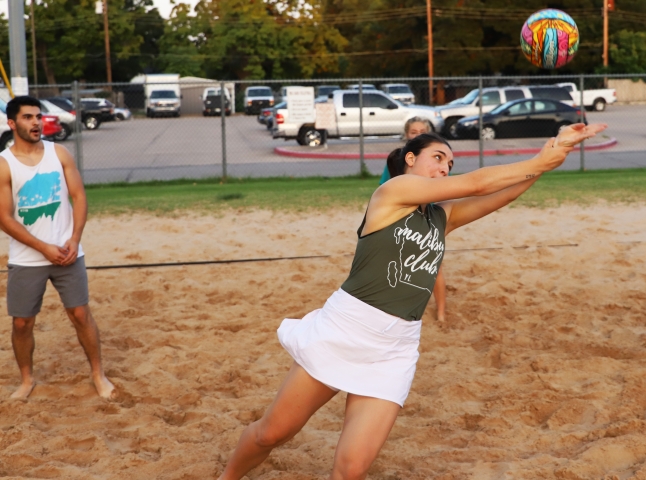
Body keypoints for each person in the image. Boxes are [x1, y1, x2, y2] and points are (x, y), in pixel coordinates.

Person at [218, 121, 606, 479]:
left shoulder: (441, 216)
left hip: (395, 348)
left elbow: (503, 193)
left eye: (450, 164)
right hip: (345, 330)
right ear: (409, 159)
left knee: (351, 469)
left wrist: (555, 152)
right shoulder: (392, 192)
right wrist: (540, 159)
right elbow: (477, 183)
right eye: (437, 157)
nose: (445, 168)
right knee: (272, 434)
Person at [0, 96, 115, 400]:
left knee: (80, 314)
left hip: (67, 253)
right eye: (27, 117)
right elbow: (4, 219)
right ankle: (27, 380)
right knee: (22, 323)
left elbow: (79, 197)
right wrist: (43, 248)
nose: (36, 122)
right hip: (27, 258)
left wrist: (74, 240)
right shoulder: (4, 164)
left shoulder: (59, 153)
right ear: (12, 123)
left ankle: (98, 375)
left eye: (38, 116)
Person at [380, 116, 449, 322]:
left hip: (426, 217)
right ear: (406, 135)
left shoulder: (434, 164)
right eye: (413, 132)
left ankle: (441, 311)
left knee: (435, 266)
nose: (418, 135)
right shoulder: (396, 160)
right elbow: (384, 188)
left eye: (422, 132)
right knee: (394, 263)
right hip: (401, 217)